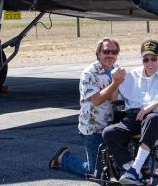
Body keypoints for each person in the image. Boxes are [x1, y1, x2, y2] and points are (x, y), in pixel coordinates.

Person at [102, 39, 158, 185]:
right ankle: (134, 170)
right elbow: (113, 98)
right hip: (135, 117)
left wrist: (157, 103)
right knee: (109, 133)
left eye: (154, 59)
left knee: (152, 119)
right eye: (146, 59)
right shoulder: (133, 75)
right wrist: (115, 82)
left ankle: (135, 170)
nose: (150, 63)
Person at [49, 38, 126, 178]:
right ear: (98, 54)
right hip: (93, 128)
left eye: (114, 52)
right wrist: (115, 84)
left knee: (113, 168)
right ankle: (63, 158)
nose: (110, 55)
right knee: (97, 174)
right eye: (106, 51)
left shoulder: (116, 70)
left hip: (111, 127)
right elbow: (96, 100)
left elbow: (114, 99)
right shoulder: (89, 73)